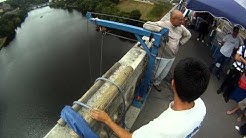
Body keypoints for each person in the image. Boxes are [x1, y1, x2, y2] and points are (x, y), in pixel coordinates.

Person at [90, 58, 210, 138]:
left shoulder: (162, 128)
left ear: (173, 84)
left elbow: (129, 137)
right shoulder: (201, 106)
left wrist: (107, 120)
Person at [142, 10, 191, 91]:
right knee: (156, 73)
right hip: (162, 56)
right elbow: (146, 25)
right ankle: (148, 85)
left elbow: (188, 35)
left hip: (172, 57)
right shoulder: (163, 24)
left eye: (183, 19)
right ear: (173, 18)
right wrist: (160, 30)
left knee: (164, 74)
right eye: (180, 20)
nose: (182, 22)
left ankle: (156, 83)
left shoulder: (181, 28)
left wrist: (181, 43)